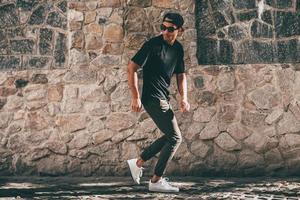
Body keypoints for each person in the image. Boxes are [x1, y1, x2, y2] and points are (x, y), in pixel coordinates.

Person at [126, 12, 190, 193]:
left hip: (164, 97)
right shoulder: (152, 45)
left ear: (180, 30)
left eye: (170, 29)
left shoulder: (178, 49)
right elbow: (132, 67)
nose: (166, 32)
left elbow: (180, 74)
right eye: (163, 28)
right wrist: (135, 96)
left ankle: (138, 162)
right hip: (153, 97)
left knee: (170, 136)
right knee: (176, 138)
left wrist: (183, 97)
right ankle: (156, 180)